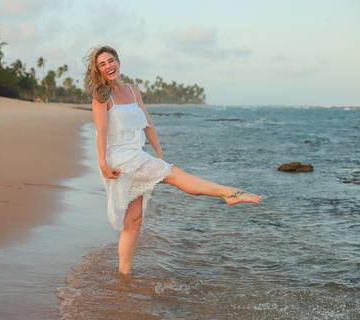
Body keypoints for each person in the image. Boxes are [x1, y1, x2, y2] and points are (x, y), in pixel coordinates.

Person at [84, 45, 262, 275]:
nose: (108, 66)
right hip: (119, 159)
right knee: (175, 176)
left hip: (136, 155)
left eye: (111, 60)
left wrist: (159, 152)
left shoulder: (132, 90)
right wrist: (103, 165)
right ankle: (228, 193)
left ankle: (124, 273)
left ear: (118, 61)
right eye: (102, 64)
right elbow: (101, 131)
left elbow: (147, 122)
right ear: (98, 71)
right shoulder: (101, 97)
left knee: (134, 220)